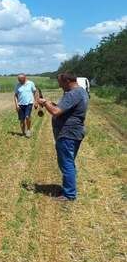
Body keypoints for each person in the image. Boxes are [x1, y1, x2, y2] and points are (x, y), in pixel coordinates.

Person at [38, 72, 89, 201]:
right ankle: (68, 188)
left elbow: (56, 111)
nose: (61, 87)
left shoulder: (73, 94)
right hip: (73, 132)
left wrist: (45, 103)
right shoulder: (81, 92)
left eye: (61, 84)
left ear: (67, 81)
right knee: (68, 163)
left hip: (68, 133)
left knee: (66, 163)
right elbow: (63, 109)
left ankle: (69, 194)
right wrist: (51, 103)